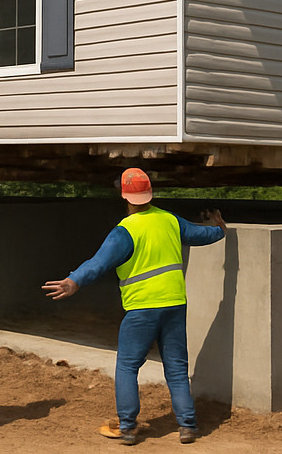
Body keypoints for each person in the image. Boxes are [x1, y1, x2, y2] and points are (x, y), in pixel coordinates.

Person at [42, 168, 225, 445]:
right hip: (175, 304)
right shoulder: (170, 221)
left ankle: (127, 427)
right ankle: (188, 426)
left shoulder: (125, 231)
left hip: (141, 309)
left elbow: (98, 263)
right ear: (150, 192)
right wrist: (220, 228)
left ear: (124, 196)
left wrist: (73, 281)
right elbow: (205, 235)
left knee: (128, 366)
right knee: (176, 368)